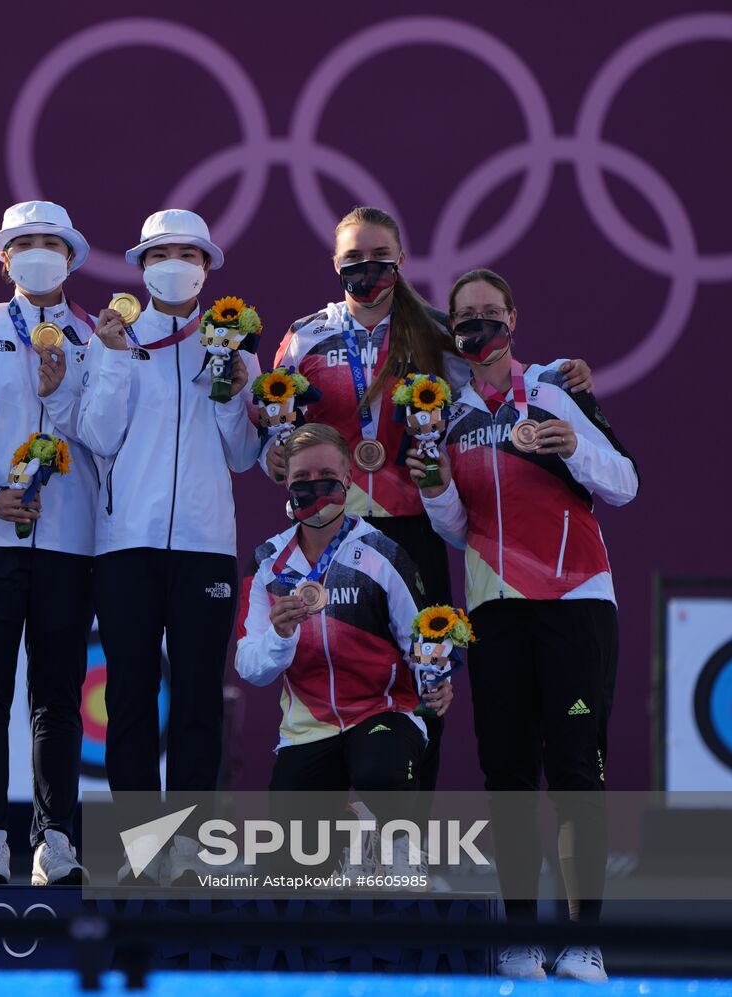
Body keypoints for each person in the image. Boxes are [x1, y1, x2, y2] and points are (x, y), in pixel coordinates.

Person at [265, 206, 595, 798]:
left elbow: (502, 386)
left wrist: (565, 373)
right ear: (335, 264)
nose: (367, 268)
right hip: (326, 533)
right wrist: (275, 450)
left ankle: (404, 837)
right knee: (327, 667)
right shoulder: (304, 335)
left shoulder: (437, 332)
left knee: (427, 672)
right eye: (354, 260)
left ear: (401, 259)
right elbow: (275, 430)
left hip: (411, 527)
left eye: (379, 256)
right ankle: (332, 837)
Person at [411, 268, 638, 982]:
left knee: (575, 769)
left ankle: (581, 941)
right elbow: (456, 529)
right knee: (507, 772)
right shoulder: (446, 415)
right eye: (465, 317)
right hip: (497, 610)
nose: (478, 325)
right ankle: (516, 937)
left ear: (514, 316)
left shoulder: (555, 389)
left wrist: (572, 442)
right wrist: (435, 486)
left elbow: (624, 482)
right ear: (454, 331)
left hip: (577, 602)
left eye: (490, 312)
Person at [76, 209, 261, 882]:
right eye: (159, 254)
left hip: (206, 546)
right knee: (129, 694)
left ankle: (188, 842)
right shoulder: (117, 336)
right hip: (126, 543)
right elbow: (97, 434)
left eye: (186, 254)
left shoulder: (236, 345)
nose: (173, 265)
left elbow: (243, 455)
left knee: (197, 699)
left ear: (207, 268)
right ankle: (138, 841)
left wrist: (234, 394)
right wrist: (119, 360)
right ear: (142, 266)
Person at [0, 201, 97, 886]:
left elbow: (103, 432)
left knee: (57, 694)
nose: (39, 254)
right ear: (3, 258)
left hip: (68, 539)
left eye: (51, 244)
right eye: (24, 243)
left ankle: (56, 838)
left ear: (70, 258)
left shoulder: (96, 336)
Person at [236, 424, 451, 876]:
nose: (315, 490)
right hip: (308, 729)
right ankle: (351, 831)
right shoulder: (266, 562)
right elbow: (250, 666)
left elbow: (422, 637)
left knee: (382, 772)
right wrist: (278, 636)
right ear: (285, 483)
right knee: (292, 866)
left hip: (381, 712)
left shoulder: (381, 552)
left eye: (327, 477)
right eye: (302, 480)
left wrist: (440, 680)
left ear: (350, 480)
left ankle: (396, 842)